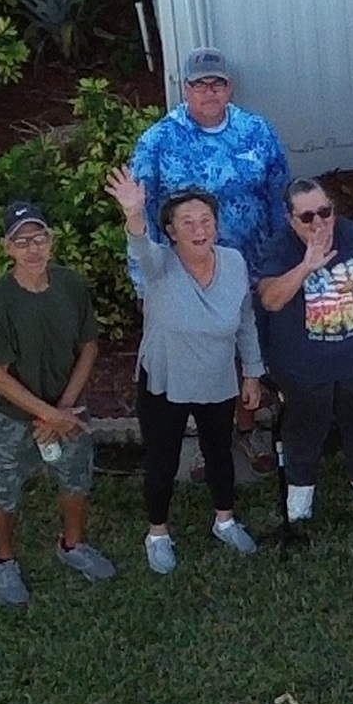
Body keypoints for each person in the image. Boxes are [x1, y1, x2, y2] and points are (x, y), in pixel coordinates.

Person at [131, 46, 290, 474]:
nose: (209, 92)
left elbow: (279, 196)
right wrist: (143, 279)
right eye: (200, 84)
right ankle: (207, 441)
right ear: (186, 89)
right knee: (202, 355)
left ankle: (246, 428)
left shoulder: (257, 131)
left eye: (217, 83)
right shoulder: (158, 140)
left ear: (229, 88)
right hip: (184, 275)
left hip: (251, 266)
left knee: (245, 349)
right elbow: (140, 212)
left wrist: (280, 261)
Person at [105, 171, 265, 573]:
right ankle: (157, 533)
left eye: (206, 220)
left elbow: (245, 319)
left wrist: (252, 373)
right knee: (162, 459)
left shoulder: (233, 262)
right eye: (187, 223)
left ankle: (224, 521)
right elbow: (139, 244)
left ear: (217, 225)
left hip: (216, 377)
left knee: (219, 452)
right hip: (165, 379)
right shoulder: (158, 264)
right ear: (171, 232)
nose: (199, 229)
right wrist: (133, 213)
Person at [0, 202, 113, 607]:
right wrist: (48, 416)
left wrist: (64, 410)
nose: (33, 249)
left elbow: (89, 346)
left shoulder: (70, 285)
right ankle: (2, 560)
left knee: (75, 478)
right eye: (22, 241)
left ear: (51, 241)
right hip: (14, 417)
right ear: (7, 248)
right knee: (3, 491)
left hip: (68, 408)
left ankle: (72, 544)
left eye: (40, 238)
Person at [256, 178, 353, 526]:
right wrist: (307, 265)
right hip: (302, 368)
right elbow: (270, 300)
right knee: (304, 430)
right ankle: (301, 488)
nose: (319, 223)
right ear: (291, 220)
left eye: (325, 212)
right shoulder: (279, 249)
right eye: (307, 217)